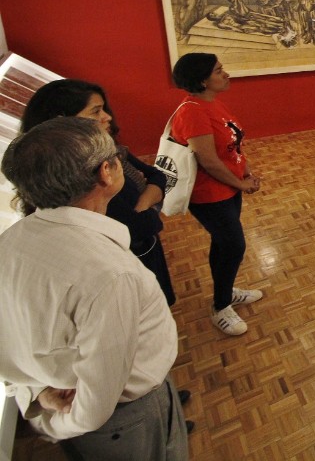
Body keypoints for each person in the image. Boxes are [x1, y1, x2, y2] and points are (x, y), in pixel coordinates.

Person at [0, 117, 189, 460]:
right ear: (106, 172)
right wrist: (51, 426)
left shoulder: (10, 242)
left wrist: (39, 393)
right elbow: (97, 404)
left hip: (68, 402)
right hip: (123, 421)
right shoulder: (110, 275)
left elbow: (12, 339)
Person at [18, 79, 178, 306]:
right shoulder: (80, 181)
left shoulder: (108, 148)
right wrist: (150, 203)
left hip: (142, 247)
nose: (107, 117)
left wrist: (144, 203)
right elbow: (147, 224)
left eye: (103, 108)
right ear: (64, 122)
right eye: (95, 111)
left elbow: (157, 177)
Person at [169, 53, 264, 336]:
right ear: (201, 80)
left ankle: (226, 289)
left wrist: (245, 171)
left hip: (228, 187)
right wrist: (240, 184)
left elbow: (231, 146)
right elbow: (208, 160)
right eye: (219, 71)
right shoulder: (192, 111)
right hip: (209, 194)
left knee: (224, 244)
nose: (226, 74)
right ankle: (221, 306)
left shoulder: (212, 103)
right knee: (233, 245)